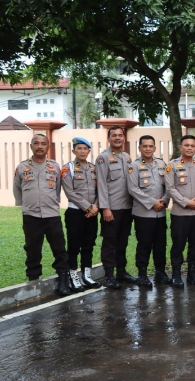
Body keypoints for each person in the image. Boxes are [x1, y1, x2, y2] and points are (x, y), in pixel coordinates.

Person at [13, 134, 71, 296]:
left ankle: (63, 280)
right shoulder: (22, 167)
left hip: (51, 215)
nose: (39, 146)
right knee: (32, 249)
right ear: (31, 146)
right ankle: (33, 280)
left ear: (48, 147)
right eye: (36, 143)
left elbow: (58, 188)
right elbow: (17, 188)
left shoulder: (54, 166)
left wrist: (53, 204)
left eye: (43, 144)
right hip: (31, 216)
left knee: (59, 248)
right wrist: (24, 207)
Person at [126, 135, 171, 289]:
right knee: (144, 244)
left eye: (151, 146)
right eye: (144, 146)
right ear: (139, 148)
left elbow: (168, 187)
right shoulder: (134, 166)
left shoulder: (161, 164)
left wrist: (164, 201)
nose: (148, 149)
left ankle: (160, 272)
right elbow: (133, 189)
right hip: (143, 213)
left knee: (161, 244)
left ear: (154, 148)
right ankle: (142, 274)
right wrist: (152, 203)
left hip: (160, 213)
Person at [165, 135, 195, 289]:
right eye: (186, 145)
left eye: (192, 145)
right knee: (178, 245)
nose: (189, 148)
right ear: (180, 147)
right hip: (180, 214)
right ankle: (176, 274)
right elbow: (170, 188)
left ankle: (192, 273)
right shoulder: (172, 166)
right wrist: (186, 202)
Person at [96, 126, 135, 289]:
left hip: (127, 207)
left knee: (123, 241)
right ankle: (109, 275)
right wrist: (105, 208)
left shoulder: (127, 157)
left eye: (120, 135)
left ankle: (121, 271)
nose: (118, 138)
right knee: (110, 243)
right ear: (109, 138)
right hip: (111, 208)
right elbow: (101, 184)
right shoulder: (103, 158)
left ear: (124, 138)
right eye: (114, 136)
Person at [60, 137, 101, 291]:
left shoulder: (93, 168)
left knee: (88, 244)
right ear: (74, 151)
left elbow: (99, 190)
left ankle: (86, 275)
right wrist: (88, 207)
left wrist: (95, 207)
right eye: (79, 149)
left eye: (85, 149)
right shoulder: (68, 168)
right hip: (75, 213)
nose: (82, 151)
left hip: (92, 213)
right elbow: (70, 193)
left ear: (89, 151)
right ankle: (73, 276)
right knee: (74, 245)